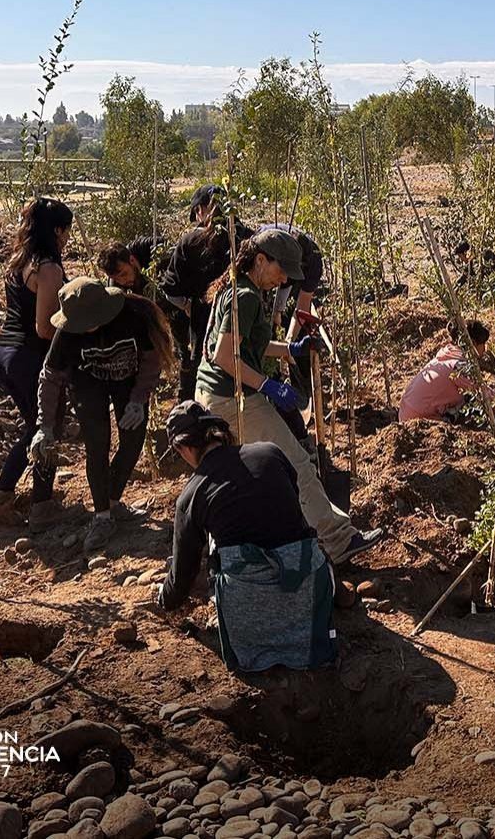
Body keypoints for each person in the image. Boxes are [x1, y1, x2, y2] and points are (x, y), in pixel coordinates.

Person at [194, 229, 386, 566]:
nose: (284, 279)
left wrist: (290, 350)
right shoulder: (248, 297)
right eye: (281, 271)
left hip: (212, 393)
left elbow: (245, 346)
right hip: (233, 398)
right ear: (260, 260)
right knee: (297, 464)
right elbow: (226, 356)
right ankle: (338, 542)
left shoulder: (236, 289)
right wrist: (268, 385)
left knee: (246, 475)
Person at [156, 401, 337, 673]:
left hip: (247, 622)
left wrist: (164, 598)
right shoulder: (270, 453)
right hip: (306, 594)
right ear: (216, 430)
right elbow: (293, 503)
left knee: (218, 547)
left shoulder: (191, 495)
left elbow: (183, 575)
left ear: (183, 447)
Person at [32, 278, 174, 552]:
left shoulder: (131, 317)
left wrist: (138, 399)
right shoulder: (68, 332)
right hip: (87, 382)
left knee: (133, 440)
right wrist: (44, 426)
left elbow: (151, 359)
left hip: (127, 379)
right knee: (97, 444)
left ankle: (113, 500)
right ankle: (102, 516)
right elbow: (50, 378)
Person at [0, 198, 71, 527]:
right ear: (57, 230)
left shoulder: (19, 261)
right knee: (44, 428)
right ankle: (31, 503)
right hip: (30, 357)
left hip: (6, 352)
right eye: (66, 231)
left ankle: (12, 498)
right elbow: (45, 327)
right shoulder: (47, 268)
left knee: (33, 424)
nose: (67, 238)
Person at [157, 185, 254, 402]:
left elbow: (170, 287)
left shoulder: (190, 242)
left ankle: (194, 420)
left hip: (205, 324)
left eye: (196, 214)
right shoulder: (247, 239)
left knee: (201, 376)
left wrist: (188, 306)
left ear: (201, 209)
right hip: (245, 324)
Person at [399, 319, 494, 423]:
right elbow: (483, 393)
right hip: (418, 418)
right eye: (483, 344)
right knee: (470, 403)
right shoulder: (458, 366)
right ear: (474, 343)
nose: (484, 349)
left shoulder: (446, 356)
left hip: (405, 412)